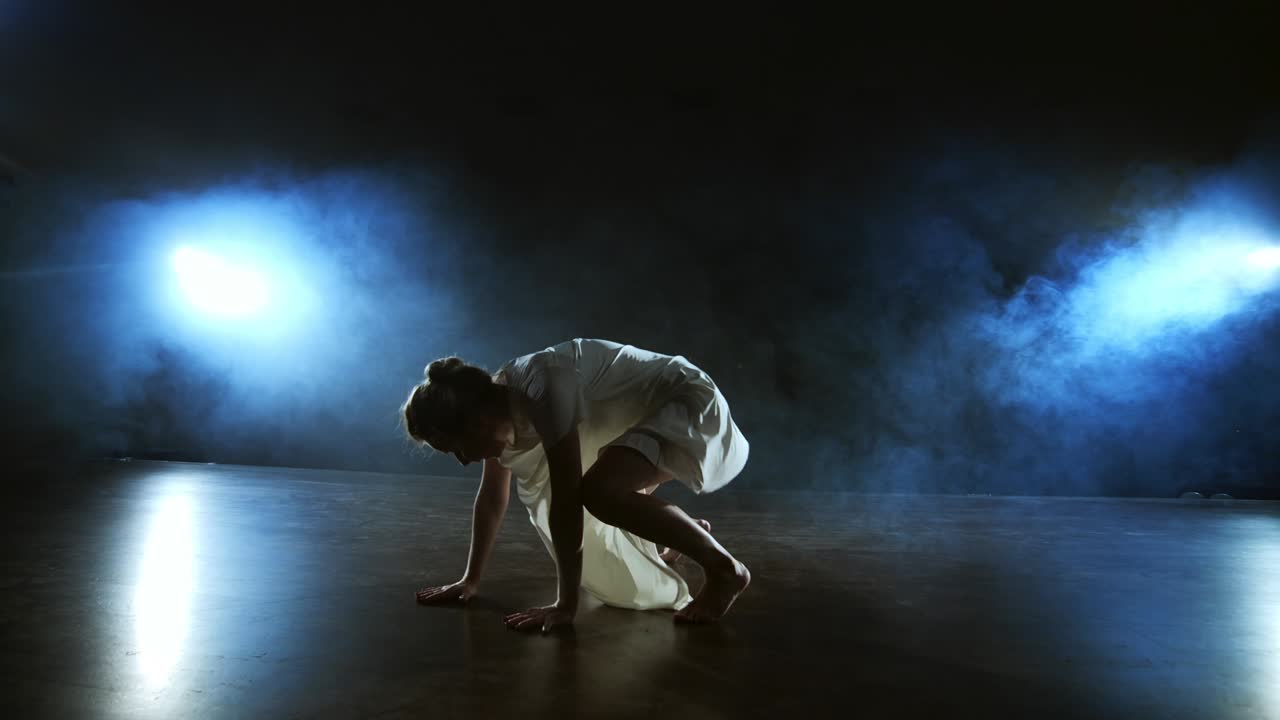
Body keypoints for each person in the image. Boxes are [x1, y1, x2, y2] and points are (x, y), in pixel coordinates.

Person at [402, 338, 751, 632]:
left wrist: (565, 606)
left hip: (685, 400)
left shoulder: (542, 389)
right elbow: (492, 499)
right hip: (639, 414)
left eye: (457, 449)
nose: (463, 460)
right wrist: (470, 580)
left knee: (600, 491)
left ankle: (724, 569)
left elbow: (567, 501)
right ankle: (685, 536)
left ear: (477, 423)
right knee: (606, 486)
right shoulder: (494, 405)